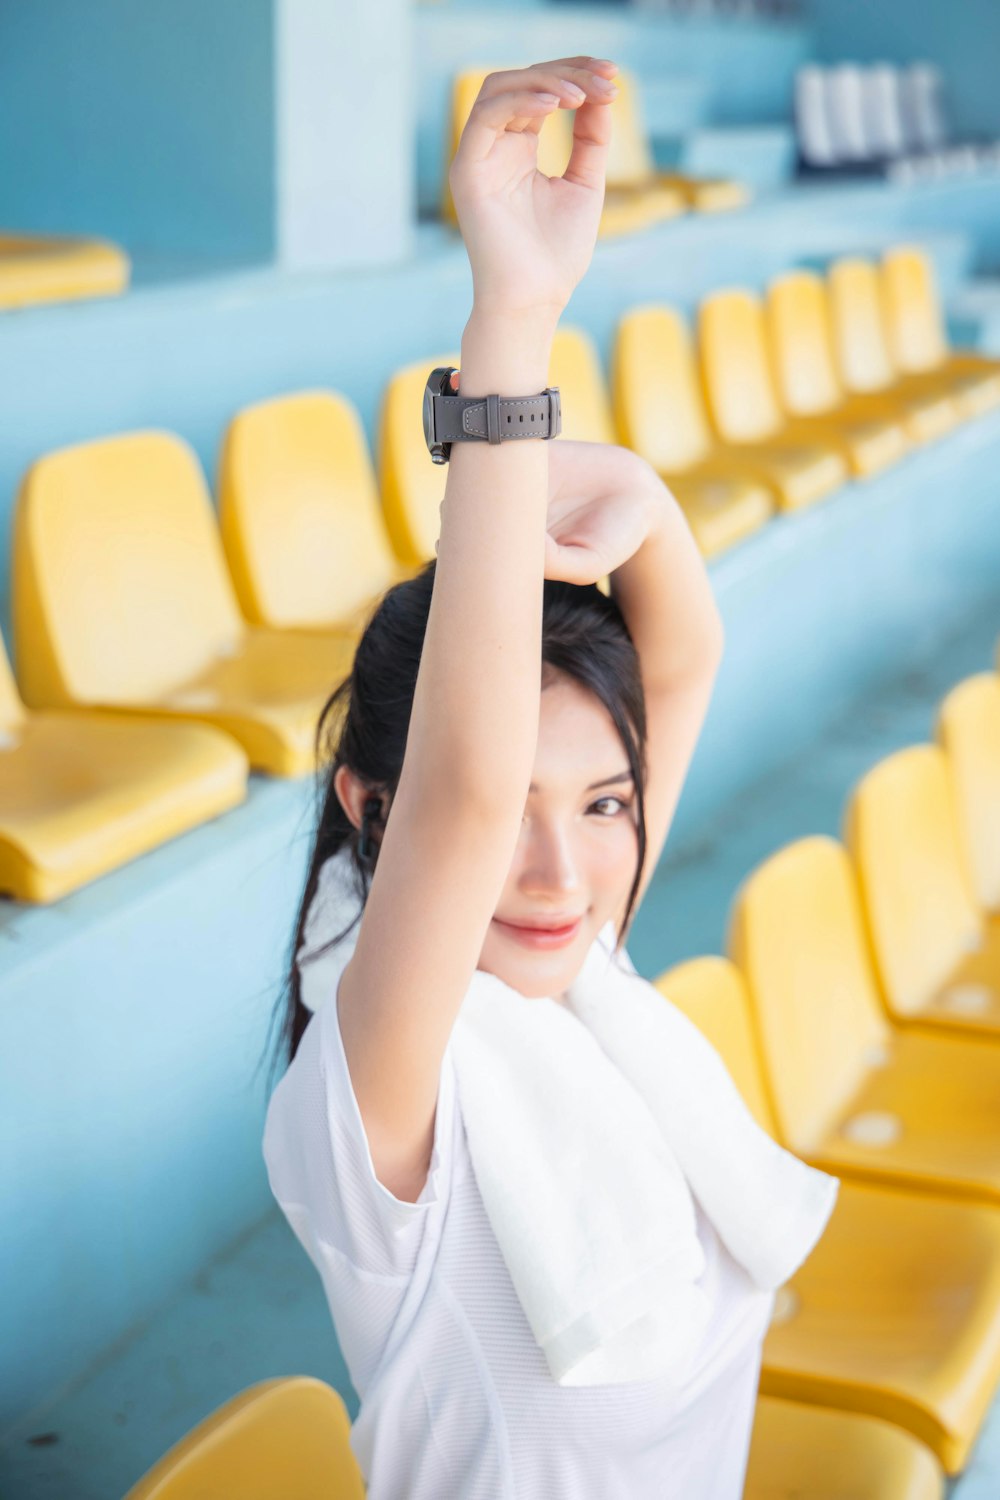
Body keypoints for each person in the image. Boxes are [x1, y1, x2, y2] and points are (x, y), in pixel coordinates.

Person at [263, 57, 833, 1498]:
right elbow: (460, 792)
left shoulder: (575, 978)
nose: (563, 874)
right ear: (369, 816)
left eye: (602, 806)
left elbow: (680, 658)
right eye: (509, 814)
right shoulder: (387, 1092)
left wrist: (633, 497)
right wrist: (513, 314)